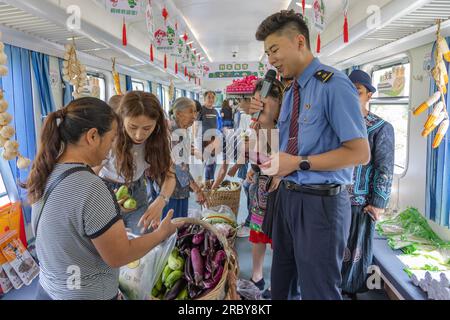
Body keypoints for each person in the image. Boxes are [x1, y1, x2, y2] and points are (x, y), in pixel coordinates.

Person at [251, 10, 370, 300]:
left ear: (300, 41)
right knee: (282, 285)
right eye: (267, 53)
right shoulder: (291, 92)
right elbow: (282, 152)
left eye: (275, 50)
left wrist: (300, 163)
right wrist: (265, 125)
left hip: (321, 204)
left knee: (319, 290)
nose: (271, 60)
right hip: (288, 197)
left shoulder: (334, 84)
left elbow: (360, 152)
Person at [25, 98, 181, 300]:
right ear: (92, 136)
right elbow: (119, 256)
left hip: (49, 290)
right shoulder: (92, 187)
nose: (111, 148)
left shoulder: (46, 171)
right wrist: (162, 234)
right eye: (111, 139)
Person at [341, 70, 395, 298]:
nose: (353, 96)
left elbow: (385, 168)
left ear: (369, 95)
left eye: (359, 92)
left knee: (355, 254)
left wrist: (378, 203)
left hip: (361, 203)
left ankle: (350, 292)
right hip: (333, 198)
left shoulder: (381, 127)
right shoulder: (337, 123)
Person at [96, 91, 176, 235]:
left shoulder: (158, 141)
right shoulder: (109, 138)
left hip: (137, 189)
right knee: (110, 243)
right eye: (132, 127)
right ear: (122, 119)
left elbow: (170, 176)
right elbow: (89, 175)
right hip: (105, 189)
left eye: (147, 128)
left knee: (143, 237)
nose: (139, 135)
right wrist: (107, 201)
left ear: (156, 125)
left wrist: (161, 200)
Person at [246, 79, 285, 299]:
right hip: (262, 187)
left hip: (281, 188)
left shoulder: (287, 125)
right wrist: (253, 167)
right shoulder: (258, 126)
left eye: (265, 98)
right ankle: (257, 276)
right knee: (258, 233)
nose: (259, 103)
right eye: (256, 98)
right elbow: (257, 156)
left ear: (279, 102)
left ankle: (277, 281)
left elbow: (279, 160)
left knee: (279, 237)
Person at [162, 97, 206, 219]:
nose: (194, 116)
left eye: (195, 112)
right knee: (172, 225)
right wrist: (197, 189)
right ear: (178, 114)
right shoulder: (175, 132)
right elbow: (180, 167)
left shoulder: (182, 130)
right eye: (191, 111)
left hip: (180, 187)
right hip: (172, 190)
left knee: (179, 225)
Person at [194, 91, 221, 182]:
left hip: (213, 140)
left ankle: (209, 181)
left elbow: (217, 125)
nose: (211, 99)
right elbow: (196, 124)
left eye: (213, 97)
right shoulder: (201, 110)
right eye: (209, 97)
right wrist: (195, 139)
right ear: (204, 99)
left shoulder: (215, 111)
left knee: (212, 162)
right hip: (202, 140)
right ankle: (199, 184)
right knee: (202, 162)